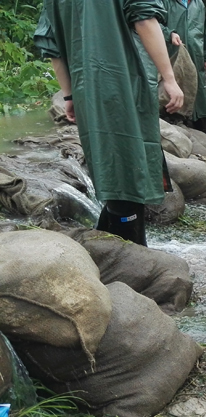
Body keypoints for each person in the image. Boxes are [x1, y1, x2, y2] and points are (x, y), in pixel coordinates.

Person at [34, 0, 185, 247]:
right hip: (125, 85)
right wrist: (169, 78)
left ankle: (111, 247)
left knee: (111, 169)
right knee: (127, 172)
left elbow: (50, 44)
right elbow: (145, 18)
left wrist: (69, 95)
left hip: (88, 93)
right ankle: (131, 256)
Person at [161, 0, 206, 132]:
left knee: (198, 88)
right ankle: (173, 120)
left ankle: (200, 123)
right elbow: (154, 25)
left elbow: (204, 30)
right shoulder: (165, 3)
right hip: (172, 54)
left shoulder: (199, 4)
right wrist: (170, 34)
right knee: (174, 85)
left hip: (196, 55)